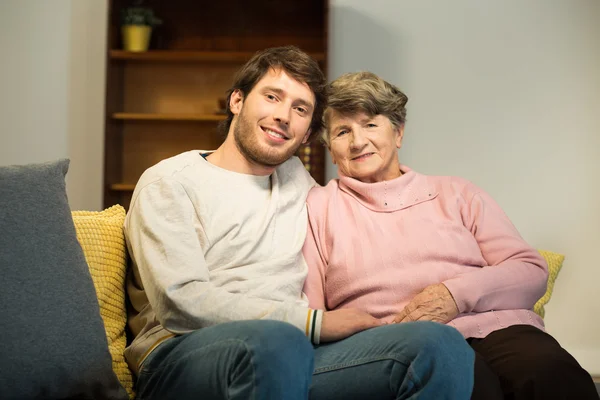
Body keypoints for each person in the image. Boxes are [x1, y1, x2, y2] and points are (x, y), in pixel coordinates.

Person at [124, 47, 475, 400]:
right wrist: (315, 323)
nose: (283, 116)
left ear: (308, 135)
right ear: (237, 101)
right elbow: (179, 301)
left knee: (438, 344)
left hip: (297, 353)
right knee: (277, 341)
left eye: (300, 109)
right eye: (272, 97)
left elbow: (351, 230)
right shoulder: (170, 183)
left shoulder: (297, 180)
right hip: (182, 355)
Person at [302, 71, 600, 400]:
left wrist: (453, 294)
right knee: (469, 385)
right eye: (343, 131)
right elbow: (313, 312)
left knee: (550, 373)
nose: (358, 141)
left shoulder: (456, 193)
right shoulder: (319, 207)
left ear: (398, 133)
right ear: (331, 150)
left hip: (496, 327)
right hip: (405, 347)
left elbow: (530, 270)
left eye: (370, 124)